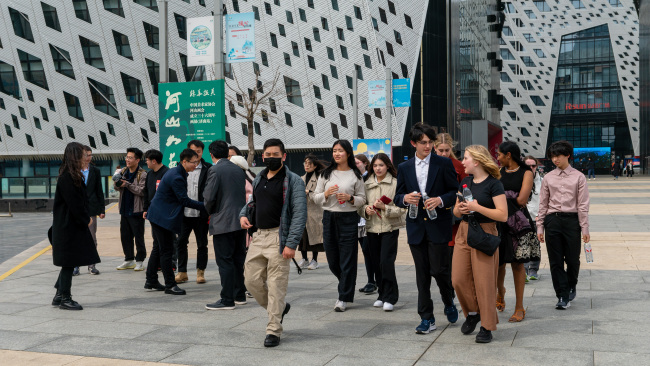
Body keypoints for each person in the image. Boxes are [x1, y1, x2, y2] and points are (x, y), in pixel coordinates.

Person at [240, 139, 307, 347]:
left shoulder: (293, 180)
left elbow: (299, 214)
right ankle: (279, 309)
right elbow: (252, 202)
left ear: (284, 156)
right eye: (267, 154)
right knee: (250, 281)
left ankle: (273, 330)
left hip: (280, 237)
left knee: (276, 286)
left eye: (275, 154)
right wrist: (243, 214)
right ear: (262, 156)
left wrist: (291, 244)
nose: (270, 158)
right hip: (258, 236)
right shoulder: (259, 177)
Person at [394, 123, 459, 334]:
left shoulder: (443, 163)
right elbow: (397, 197)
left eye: (430, 142)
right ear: (413, 143)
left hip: (439, 225)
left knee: (439, 270)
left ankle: (448, 300)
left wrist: (440, 200)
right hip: (415, 228)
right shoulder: (403, 167)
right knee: (422, 275)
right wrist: (405, 198)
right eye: (424, 143)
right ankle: (426, 317)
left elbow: (453, 191)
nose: (428, 146)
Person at [452, 145, 508, 343]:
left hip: (485, 231)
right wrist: (460, 209)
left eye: (465, 158)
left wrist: (477, 207)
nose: (462, 161)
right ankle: (473, 312)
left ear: (476, 161)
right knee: (458, 279)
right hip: (464, 232)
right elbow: (455, 213)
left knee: (484, 282)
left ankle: (487, 326)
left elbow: (503, 214)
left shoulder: (494, 184)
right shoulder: (465, 182)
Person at [313, 140, 366, 312]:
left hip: (349, 218)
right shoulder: (326, 174)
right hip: (329, 217)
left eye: (340, 151)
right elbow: (315, 197)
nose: (336, 154)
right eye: (334, 150)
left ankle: (343, 297)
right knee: (332, 259)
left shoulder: (355, 175)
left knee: (348, 258)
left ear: (348, 154)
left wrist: (350, 198)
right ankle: (347, 282)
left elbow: (362, 200)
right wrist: (326, 194)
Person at [144, 149, 206, 295]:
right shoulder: (177, 176)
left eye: (197, 162)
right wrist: (205, 206)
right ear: (184, 161)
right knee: (166, 251)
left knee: (158, 248)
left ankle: (151, 280)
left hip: (158, 215)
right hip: (162, 217)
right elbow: (183, 200)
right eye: (193, 162)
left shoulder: (175, 172)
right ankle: (170, 285)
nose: (195, 165)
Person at [537, 141, 590, 310]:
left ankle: (571, 283)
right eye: (552, 156)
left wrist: (585, 228)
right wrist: (540, 226)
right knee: (555, 260)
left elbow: (583, 205)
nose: (555, 159)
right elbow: (543, 204)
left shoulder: (579, 177)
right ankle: (562, 295)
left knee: (573, 259)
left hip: (572, 221)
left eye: (558, 156)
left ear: (568, 155)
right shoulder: (548, 177)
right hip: (552, 220)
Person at [51, 142, 101, 310]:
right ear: (75, 157)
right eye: (82, 154)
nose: (85, 158)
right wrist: (86, 219)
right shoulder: (68, 177)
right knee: (69, 262)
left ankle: (59, 295)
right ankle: (65, 298)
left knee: (70, 261)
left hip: (71, 226)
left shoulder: (73, 175)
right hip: (68, 227)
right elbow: (75, 204)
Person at [358, 153, 406, 312]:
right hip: (371, 229)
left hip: (389, 229)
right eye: (375, 165)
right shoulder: (366, 184)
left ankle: (391, 297)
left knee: (386, 262)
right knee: (376, 263)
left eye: (381, 165)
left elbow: (402, 209)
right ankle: (382, 294)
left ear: (388, 166)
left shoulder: (396, 183)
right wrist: (366, 209)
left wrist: (385, 208)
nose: (378, 168)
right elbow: (360, 206)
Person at [203, 140, 248, 310]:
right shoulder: (238, 169)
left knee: (225, 261)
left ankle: (227, 299)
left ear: (211, 153)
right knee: (237, 259)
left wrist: (210, 211)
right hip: (240, 220)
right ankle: (239, 294)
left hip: (223, 221)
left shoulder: (214, 169)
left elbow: (208, 197)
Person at [495, 141, 536, 323]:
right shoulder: (498, 173)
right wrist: (507, 196)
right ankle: (500, 291)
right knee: (499, 263)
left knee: (518, 264)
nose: (498, 158)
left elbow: (521, 200)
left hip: (518, 223)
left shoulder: (526, 172)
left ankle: (519, 306)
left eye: (499, 155)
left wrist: (502, 197)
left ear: (508, 155)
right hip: (500, 221)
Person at [174, 140, 211, 285]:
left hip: (201, 214)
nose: (196, 155)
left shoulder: (208, 168)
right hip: (184, 213)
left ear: (203, 152)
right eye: (193, 151)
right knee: (181, 242)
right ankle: (182, 272)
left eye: (199, 151)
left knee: (202, 244)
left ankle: (200, 272)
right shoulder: (180, 168)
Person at [434, 132, 467, 293]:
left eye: (446, 150)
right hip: (433, 214)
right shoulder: (429, 163)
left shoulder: (458, 165)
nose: (444, 153)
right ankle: (446, 289)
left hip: (453, 216)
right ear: (434, 148)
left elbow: (465, 188)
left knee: (451, 254)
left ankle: (451, 290)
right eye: (440, 150)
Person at [73, 145, 105, 276]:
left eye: (90, 155)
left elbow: (99, 191)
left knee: (92, 238)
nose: (88, 157)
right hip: (77, 209)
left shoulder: (95, 171)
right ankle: (76, 266)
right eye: (86, 155)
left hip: (91, 209)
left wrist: (102, 209)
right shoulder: (74, 170)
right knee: (77, 238)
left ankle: (92, 265)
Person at [114, 148, 147, 271]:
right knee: (125, 236)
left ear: (137, 160)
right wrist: (118, 183)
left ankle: (139, 260)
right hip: (124, 209)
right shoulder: (123, 171)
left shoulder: (142, 174)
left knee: (138, 237)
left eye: (130, 157)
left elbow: (142, 191)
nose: (127, 160)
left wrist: (127, 184)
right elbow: (117, 188)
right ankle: (129, 259)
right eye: (127, 157)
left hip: (136, 210)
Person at [299, 154, 325, 270]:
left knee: (315, 237)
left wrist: (309, 192)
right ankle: (304, 259)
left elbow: (321, 195)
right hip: (303, 212)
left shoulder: (320, 179)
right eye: (305, 163)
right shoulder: (301, 178)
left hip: (315, 212)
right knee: (302, 237)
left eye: (310, 164)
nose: (307, 165)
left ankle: (315, 260)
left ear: (315, 166)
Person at [355, 154, 376, 295]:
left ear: (364, 163)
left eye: (357, 163)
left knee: (369, 251)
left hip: (369, 219)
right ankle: (371, 280)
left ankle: (373, 281)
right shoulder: (355, 178)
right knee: (365, 251)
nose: (355, 165)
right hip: (358, 220)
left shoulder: (369, 177)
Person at [524, 156, 542, 281]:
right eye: (528, 166)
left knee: (535, 244)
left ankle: (533, 269)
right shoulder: (519, 181)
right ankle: (523, 271)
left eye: (533, 165)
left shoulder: (543, 181)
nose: (531, 168)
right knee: (523, 244)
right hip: (523, 218)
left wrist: (541, 216)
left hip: (537, 218)